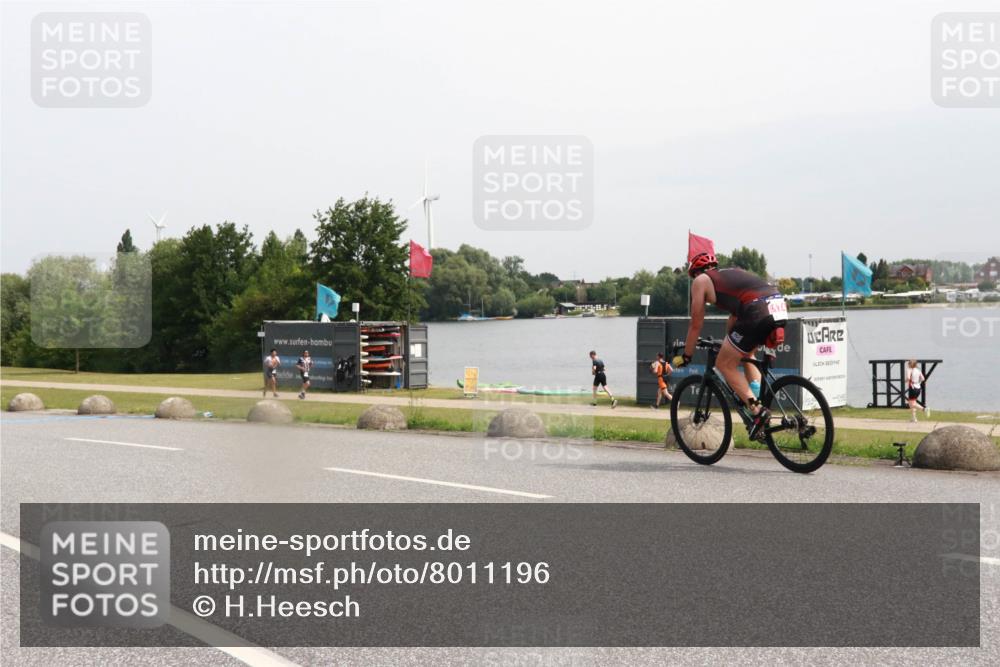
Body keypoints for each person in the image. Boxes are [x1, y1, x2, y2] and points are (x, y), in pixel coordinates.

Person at [673, 253, 786, 441]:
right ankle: (758, 404)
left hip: (756, 310)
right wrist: (729, 342)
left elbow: (695, 324)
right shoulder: (731, 274)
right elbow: (735, 317)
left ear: (695, 272)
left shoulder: (701, 280)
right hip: (778, 306)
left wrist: (687, 356)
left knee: (724, 365)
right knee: (746, 353)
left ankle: (757, 410)